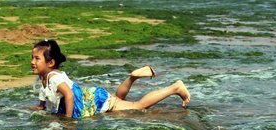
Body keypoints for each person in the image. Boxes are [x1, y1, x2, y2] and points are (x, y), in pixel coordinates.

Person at [31, 39, 190, 118]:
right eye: (32, 58)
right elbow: (44, 100)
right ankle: (132, 78)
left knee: (137, 106)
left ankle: (174, 88)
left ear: (51, 63)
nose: (32, 62)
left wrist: (69, 122)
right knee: (115, 100)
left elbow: (69, 95)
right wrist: (39, 108)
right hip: (92, 97)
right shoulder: (45, 77)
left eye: (37, 59)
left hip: (93, 102)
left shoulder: (53, 77)